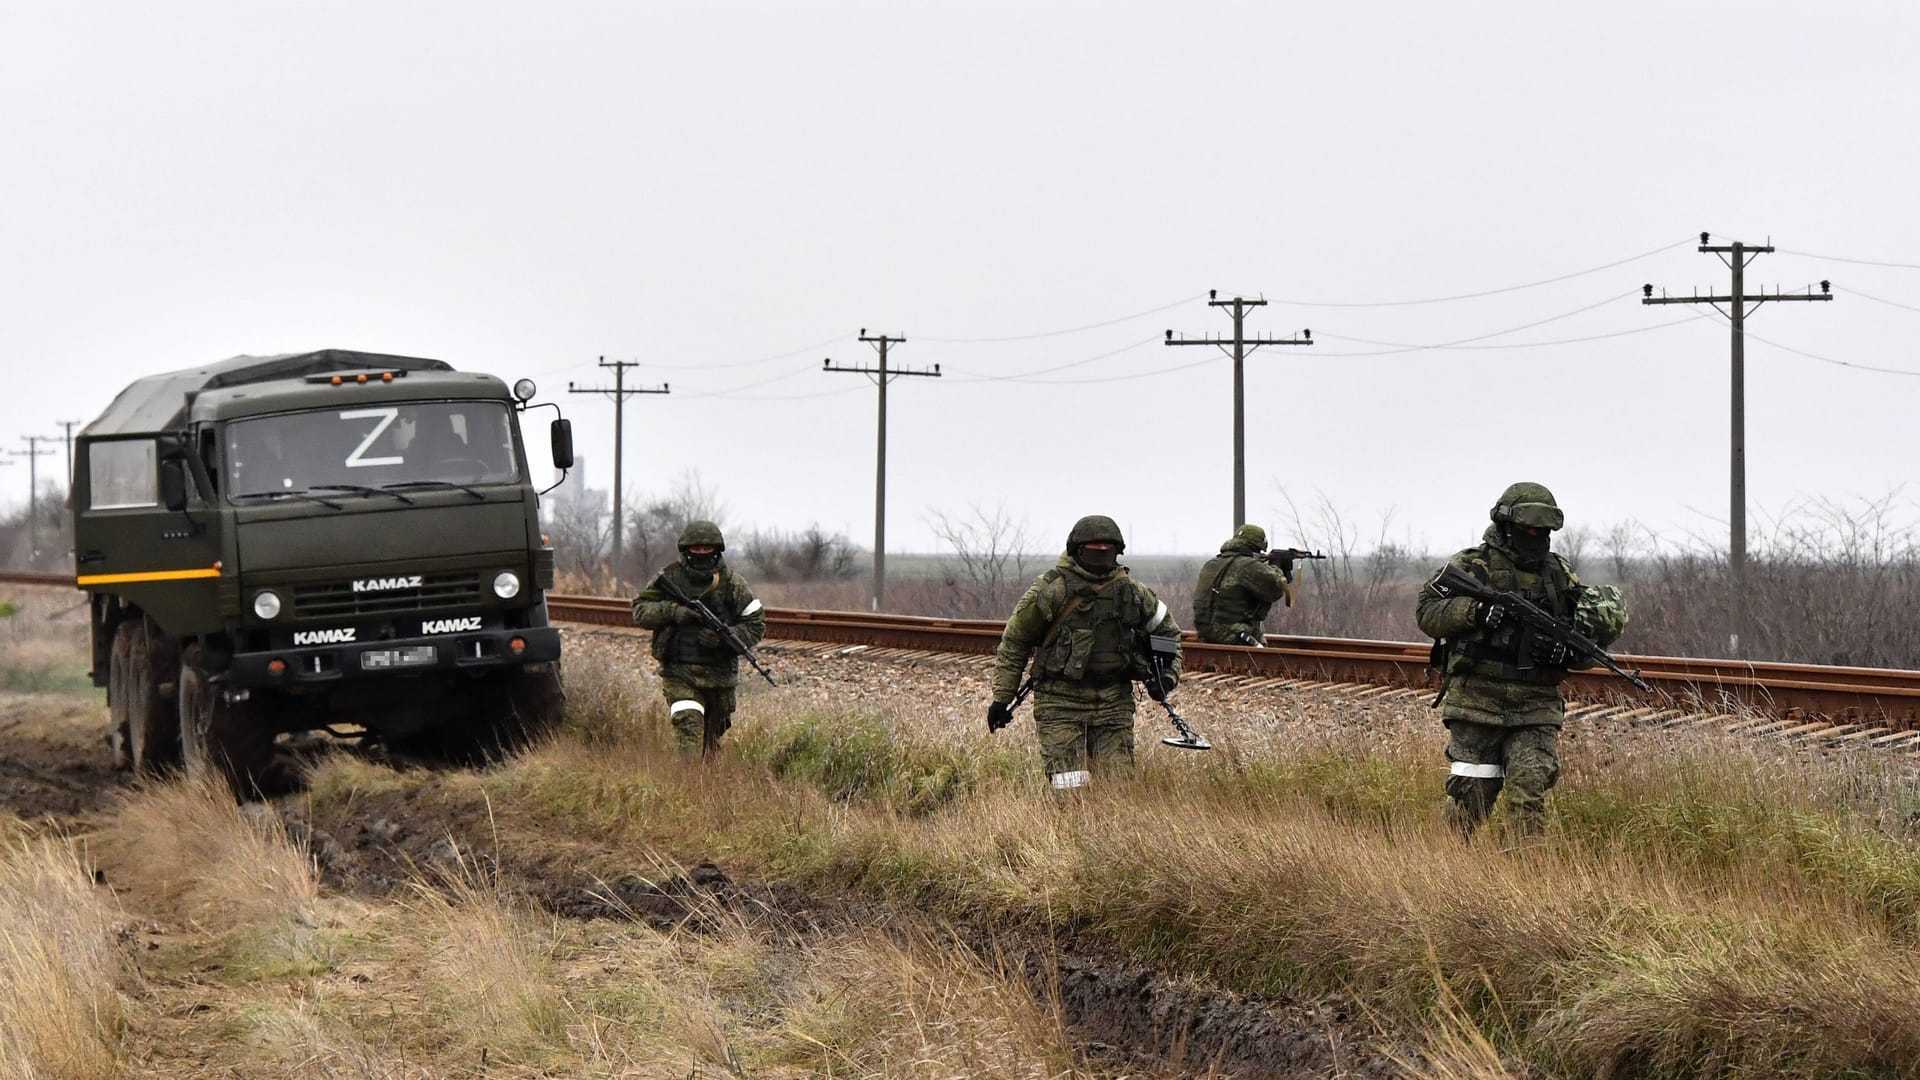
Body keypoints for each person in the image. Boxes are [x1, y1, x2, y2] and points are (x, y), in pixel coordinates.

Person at [1414, 483, 1629, 838]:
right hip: (1476, 703)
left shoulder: (1558, 574)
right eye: (1530, 529)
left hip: (1535, 708)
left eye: (1543, 531)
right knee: (1470, 799)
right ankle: (1446, 871)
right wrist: (1477, 612)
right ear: (1507, 526)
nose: (1537, 536)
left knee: (1529, 796)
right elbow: (1427, 611)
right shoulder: (1472, 565)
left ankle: (1528, 880)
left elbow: (1582, 636)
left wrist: (1567, 655)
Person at [987, 515, 1183, 791]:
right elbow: (1015, 642)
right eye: (1094, 550)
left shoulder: (1132, 592)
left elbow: (1168, 634)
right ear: (1077, 551)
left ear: (1117, 552)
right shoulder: (1052, 590)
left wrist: (1166, 677)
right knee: (1069, 787)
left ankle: (1111, 835)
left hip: (1114, 702)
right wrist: (1002, 698)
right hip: (1061, 701)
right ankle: (1073, 833)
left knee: (1119, 788)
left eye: (1107, 550)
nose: (1101, 556)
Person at [630, 520, 767, 755]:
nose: (702, 553)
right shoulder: (669, 578)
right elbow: (640, 611)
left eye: (707, 548)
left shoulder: (733, 584)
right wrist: (673, 612)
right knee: (689, 729)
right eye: (696, 548)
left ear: (717, 550)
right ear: (686, 550)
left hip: (720, 677)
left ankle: (706, 787)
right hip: (679, 673)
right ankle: (687, 785)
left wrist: (725, 638)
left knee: (711, 742)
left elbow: (756, 624)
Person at [1192, 523, 1295, 645]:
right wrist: (1276, 565)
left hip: (1206, 634)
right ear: (1256, 547)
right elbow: (1274, 590)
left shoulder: (1211, 564)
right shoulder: (1247, 566)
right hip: (1234, 636)